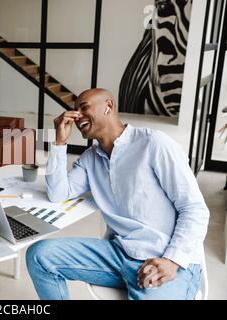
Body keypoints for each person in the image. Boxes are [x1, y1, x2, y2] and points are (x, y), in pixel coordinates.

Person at [26, 88, 209, 300]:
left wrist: (172, 260)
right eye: (75, 111)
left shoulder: (154, 144)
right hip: (117, 254)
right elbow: (57, 193)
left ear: (108, 106)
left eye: (84, 108)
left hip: (163, 258)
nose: (77, 117)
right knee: (40, 255)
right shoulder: (90, 159)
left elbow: (194, 208)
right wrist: (59, 142)